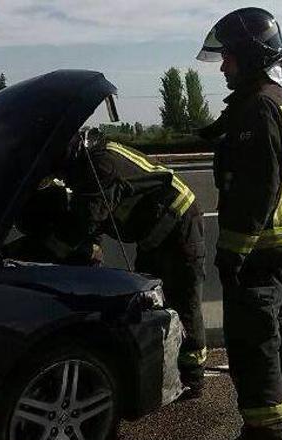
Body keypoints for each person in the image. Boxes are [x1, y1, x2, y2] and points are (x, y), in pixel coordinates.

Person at [196, 7, 282, 440]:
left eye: (227, 57)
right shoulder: (281, 99)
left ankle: (265, 438)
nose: (222, 66)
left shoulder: (256, 107)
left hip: (258, 252)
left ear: (245, 54)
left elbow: (254, 188)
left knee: (253, 344)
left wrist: (234, 252)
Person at [42, 129, 208, 396]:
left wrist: (49, 251)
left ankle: (192, 376)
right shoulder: (85, 163)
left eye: (60, 172)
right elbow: (91, 215)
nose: (61, 178)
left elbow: (86, 220)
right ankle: (161, 368)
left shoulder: (101, 165)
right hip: (151, 230)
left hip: (178, 223)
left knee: (184, 299)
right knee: (154, 298)